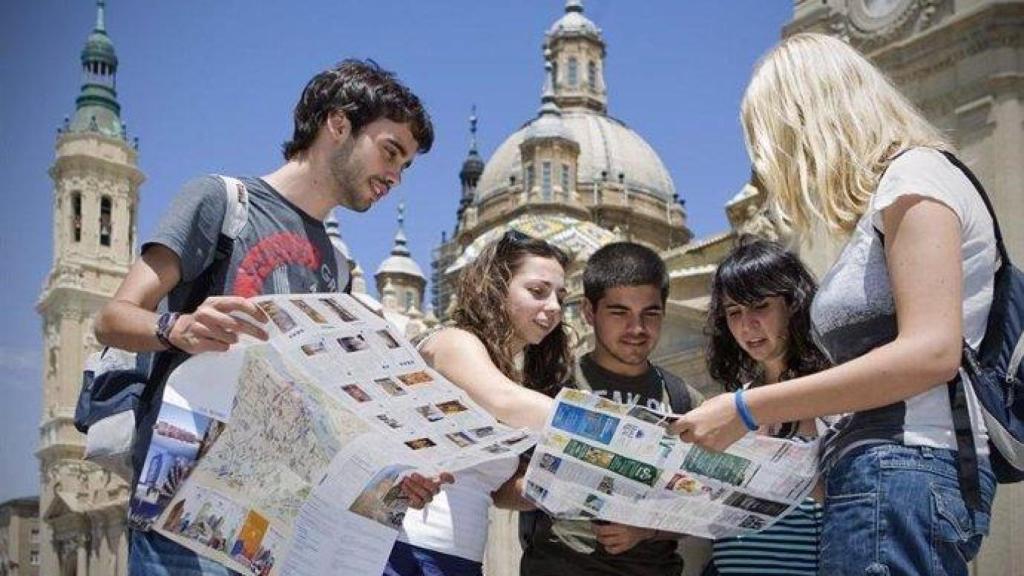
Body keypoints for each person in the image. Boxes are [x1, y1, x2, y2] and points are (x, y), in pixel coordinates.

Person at [94, 59, 446, 576]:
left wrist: (393, 475)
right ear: (338, 124)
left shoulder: (337, 266)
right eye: (390, 151)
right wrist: (178, 328)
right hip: (181, 507)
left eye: (405, 166)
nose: (395, 176)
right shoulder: (221, 201)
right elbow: (112, 318)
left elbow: (324, 405)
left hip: (274, 522)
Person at [670, 33, 998, 575]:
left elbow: (932, 352)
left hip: (901, 472)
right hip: (878, 479)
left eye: (779, 143)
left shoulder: (916, 180)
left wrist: (747, 408)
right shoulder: (894, 196)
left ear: (816, 121)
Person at [385, 230, 573, 576]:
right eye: (537, 292)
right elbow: (503, 400)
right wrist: (614, 431)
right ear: (497, 287)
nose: (554, 307)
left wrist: (574, 486)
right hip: (400, 553)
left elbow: (497, 489)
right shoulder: (452, 342)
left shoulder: (511, 372)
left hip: (461, 561)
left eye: (561, 297)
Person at [519, 242, 707, 576]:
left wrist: (646, 528)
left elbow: (702, 505)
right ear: (589, 312)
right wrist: (568, 483)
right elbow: (503, 490)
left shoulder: (684, 401)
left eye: (650, 314)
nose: (637, 329)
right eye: (619, 313)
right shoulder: (549, 391)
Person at [702, 237, 829, 575]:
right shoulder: (728, 406)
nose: (746, 325)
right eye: (734, 313)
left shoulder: (831, 393)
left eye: (760, 306)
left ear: (793, 304)